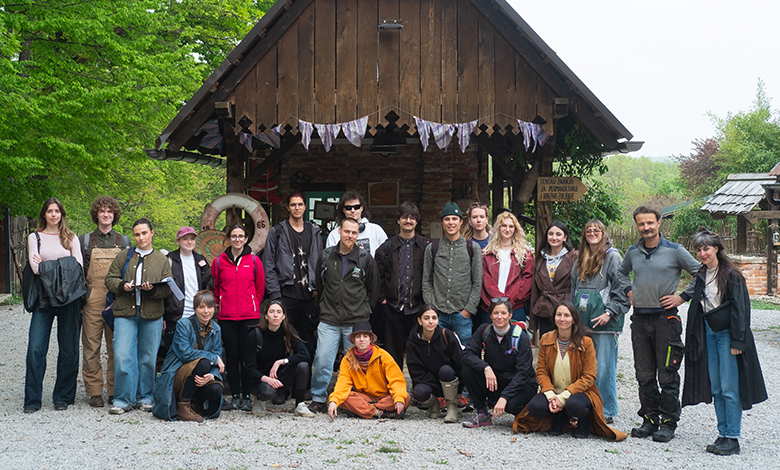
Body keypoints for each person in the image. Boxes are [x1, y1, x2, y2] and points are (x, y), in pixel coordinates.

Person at [617, 206, 700, 442]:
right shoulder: (633, 252)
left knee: (667, 373)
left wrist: (682, 296)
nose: (646, 227)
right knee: (643, 374)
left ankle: (668, 422)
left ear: (659, 223)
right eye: (641, 224)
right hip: (640, 320)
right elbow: (621, 273)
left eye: (650, 223)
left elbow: (701, 272)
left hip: (666, 320)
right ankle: (649, 419)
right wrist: (628, 290)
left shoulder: (675, 251)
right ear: (637, 225)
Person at [682, 229, 767, 456]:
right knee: (717, 387)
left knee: (730, 388)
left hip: (728, 335)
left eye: (706, 248)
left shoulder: (730, 274)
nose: (702, 253)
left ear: (716, 248)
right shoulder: (701, 274)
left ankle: (733, 437)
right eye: (699, 249)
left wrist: (738, 340)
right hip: (709, 333)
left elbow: (741, 309)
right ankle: (722, 434)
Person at [513, 302, 628, 441]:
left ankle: (584, 421)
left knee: (575, 405)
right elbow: (541, 371)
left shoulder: (586, 342)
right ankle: (559, 417)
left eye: (567, 315)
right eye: (559, 315)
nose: (562, 319)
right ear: (554, 318)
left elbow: (589, 376)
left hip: (580, 393)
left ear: (574, 319)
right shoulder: (546, 339)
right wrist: (551, 396)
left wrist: (563, 397)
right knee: (535, 407)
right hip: (554, 390)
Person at [309, 217, 380, 413]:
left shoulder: (366, 258)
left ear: (358, 235)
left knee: (356, 364)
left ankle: (353, 399)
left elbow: (373, 290)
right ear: (339, 231)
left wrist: (364, 311)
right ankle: (318, 397)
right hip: (330, 318)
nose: (350, 236)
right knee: (323, 359)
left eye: (354, 233)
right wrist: (324, 306)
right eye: (347, 231)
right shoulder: (325, 256)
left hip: (356, 322)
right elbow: (320, 286)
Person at [23, 198, 85, 413]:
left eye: (57, 211)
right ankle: (32, 400)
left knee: (69, 350)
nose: (53, 215)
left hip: (69, 299)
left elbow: (77, 267)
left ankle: (63, 397)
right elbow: (35, 267)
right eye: (49, 211)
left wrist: (48, 264)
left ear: (62, 214)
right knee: (36, 349)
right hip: (43, 298)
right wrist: (63, 265)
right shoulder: (35, 237)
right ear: (44, 214)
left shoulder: (71, 238)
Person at [105, 218, 172, 414]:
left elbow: (168, 289)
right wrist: (121, 285)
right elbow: (109, 279)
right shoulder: (124, 256)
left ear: (152, 233)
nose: (141, 237)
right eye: (137, 234)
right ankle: (123, 399)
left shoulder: (161, 259)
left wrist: (151, 290)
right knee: (123, 355)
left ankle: (145, 397)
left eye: (144, 233)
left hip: (152, 315)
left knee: (148, 358)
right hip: (125, 313)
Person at [570, 220, 630, 423]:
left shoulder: (613, 256)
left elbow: (622, 290)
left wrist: (610, 312)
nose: (592, 233)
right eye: (588, 230)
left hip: (605, 324)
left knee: (604, 368)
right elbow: (573, 289)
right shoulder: (580, 257)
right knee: (584, 367)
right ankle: (587, 407)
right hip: (583, 324)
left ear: (604, 233)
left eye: (597, 230)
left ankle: (606, 410)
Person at [80, 196, 131, 408]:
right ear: (96, 214)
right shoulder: (84, 240)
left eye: (109, 211)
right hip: (93, 297)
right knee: (91, 346)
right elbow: (79, 270)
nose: (106, 214)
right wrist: (85, 294)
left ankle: (113, 389)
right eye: (102, 211)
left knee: (115, 346)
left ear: (114, 214)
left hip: (116, 298)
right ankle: (94, 392)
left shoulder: (124, 241)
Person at [212, 223, 266, 411]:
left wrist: (252, 304)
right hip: (227, 317)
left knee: (247, 357)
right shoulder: (219, 262)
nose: (237, 239)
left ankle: (246, 394)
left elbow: (260, 288)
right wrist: (223, 302)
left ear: (246, 238)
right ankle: (235, 394)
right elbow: (216, 288)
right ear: (229, 238)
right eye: (234, 236)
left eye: (240, 236)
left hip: (249, 316)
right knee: (232, 357)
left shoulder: (254, 261)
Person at [262, 192, 322, 358]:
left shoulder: (314, 231)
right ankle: (282, 379)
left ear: (304, 207)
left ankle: (304, 381)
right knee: (283, 341)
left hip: (308, 296)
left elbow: (320, 261)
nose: (297, 208)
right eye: (293, 205)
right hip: (285, 294)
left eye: (300, 204)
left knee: (308, 341)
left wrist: (318, 286)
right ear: (287, 208)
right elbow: (269, 265)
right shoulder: (277, 232)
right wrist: (275, 294)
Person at [460, 299, 537, 428]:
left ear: (510, 315)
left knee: (511, 405)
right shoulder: (484, 330)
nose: (499, 317)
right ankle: (482, 414)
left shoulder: (520, 337)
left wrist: (504, 397)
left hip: (521, 384)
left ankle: (530, 413)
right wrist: (486, 367)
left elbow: (523, 373)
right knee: (468, 369)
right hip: (495, 380)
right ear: (490, 315)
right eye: (496, 313)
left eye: (503, 313)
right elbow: (466, 354)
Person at [152, 290, 224, 422]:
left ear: (214, 308)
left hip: (199, 373)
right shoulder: (183, 324)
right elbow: (185, 353)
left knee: (216, 388)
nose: (206, 311)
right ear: (195, 309)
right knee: (204, 363)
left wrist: (212, 376)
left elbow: (217, 355)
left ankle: (195, 402)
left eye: (209, 307)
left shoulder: (216, 328)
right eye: (201, 307)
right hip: (177, 373)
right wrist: (213, 359)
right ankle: (183, 405)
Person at [375, 201, 429, 368]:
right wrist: (383, 299)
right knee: (393, 353)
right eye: (404, 217)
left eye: (412, 218)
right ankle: (395, 388)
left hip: (417, 308)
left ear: (417, 221)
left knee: (419, 352)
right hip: (392, 308)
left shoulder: (426, 247)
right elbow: (378, 277)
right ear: (398, 220)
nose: (408, 220)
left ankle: (420, 388)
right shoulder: (386, 247)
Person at [423, 202, 483, 345]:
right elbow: (426, 281)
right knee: (438, 352)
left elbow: (477, 282)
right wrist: (431, 308)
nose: (451, 222)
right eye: (447, 219)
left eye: (454, 219)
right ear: (442, 222)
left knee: (463, 356)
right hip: (438, 314)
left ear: (461, 222)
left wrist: (467, 310)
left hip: (462, 314)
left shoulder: (472, 248)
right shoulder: (432, 248)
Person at [244, 300, 315, 418]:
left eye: (279, 312)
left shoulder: (288, 332)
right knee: (268, 392)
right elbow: (249, 367)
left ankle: (300, 404)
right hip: (260, 379)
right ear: (266, 316)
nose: (275, 315)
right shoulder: (255, 334)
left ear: (283, 316)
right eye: (271, 312)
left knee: (302, 365)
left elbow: (305, 354)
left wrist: (281, 362)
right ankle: (259, 400)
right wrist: (266, 379)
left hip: (280, 376)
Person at [327, 321, 410, 420]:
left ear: (371, 339)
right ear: (353, 340)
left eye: (365, 336)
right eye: (358, 336)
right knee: (344, 398)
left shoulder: (383, 356)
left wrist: (399, 398)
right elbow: (343, 383)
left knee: (405, 397)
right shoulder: (347, 359)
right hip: (364, 397)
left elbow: (396, 380)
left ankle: (363, 411)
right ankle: (380, 413)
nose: (362, 339)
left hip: (384, 397)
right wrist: (334, 401)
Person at [406, 305, 463, 423]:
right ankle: (434, 405)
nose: (430, 321)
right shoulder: (413, 340)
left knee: (446, 370)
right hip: (429, 382)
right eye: (426, 318)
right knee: (419, 392)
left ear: (438, 319)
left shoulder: (446, 335)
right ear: (419, 321)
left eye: (434, 318)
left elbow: (459, 363)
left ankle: (452, 407)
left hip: (448, 380)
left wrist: (459, 390)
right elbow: (414, 369)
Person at [162, 226, 213, 359]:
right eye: (185, 239)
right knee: (173, 355)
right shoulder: (170, 259)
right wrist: (163, 316)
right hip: (175, 315)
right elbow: (163, 289)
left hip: (197, 314)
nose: (189, 242)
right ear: (178, 241)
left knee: (195, 354)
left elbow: (209, 284)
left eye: (192, 239)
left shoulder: (200, 260)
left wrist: (205, 269)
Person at [480, 211, 533, 325]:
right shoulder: (486, 253)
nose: (507, 229)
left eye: (511, 226)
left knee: (515, 341)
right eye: (504, 225)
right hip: (490, 306)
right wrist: (498, 299)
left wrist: (508, 300)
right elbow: (485, 279)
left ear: (515, 229)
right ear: (498, 228)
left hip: (515, 307)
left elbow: (527, 280)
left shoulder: (525, 254)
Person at [530, 220, 578, 339]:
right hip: (545, 309)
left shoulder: (574, 257)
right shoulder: (540, 259)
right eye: (551, 234)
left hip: (566, 309)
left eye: (558, 234)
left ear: (565, 237)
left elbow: (579, 285)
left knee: (566, 347)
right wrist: (533, 320)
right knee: (547, 346)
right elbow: (535, 290)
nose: (554, 237)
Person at [325, 191, 387, 256]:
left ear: (361, 208)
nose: (353, 210)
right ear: (343, 210)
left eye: (356, 207)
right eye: (348, 208)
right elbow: (330, 260)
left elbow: (386, 256)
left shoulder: (376, 230)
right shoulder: (334, 235)